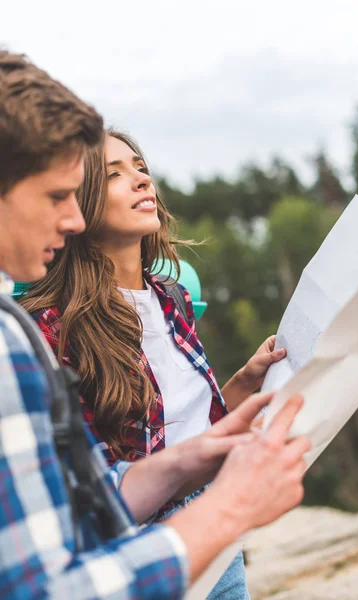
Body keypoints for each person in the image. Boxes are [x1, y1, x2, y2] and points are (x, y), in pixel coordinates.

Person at [0, 49, 310, 599]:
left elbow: (102, 477)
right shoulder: (41, 330)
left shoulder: (170, 297)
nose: (141, 179)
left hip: (199, 524)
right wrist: (231, 502)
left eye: (141, 167)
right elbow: (53, 568)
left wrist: (237, 398)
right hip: (142, 542)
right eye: (59, 193)